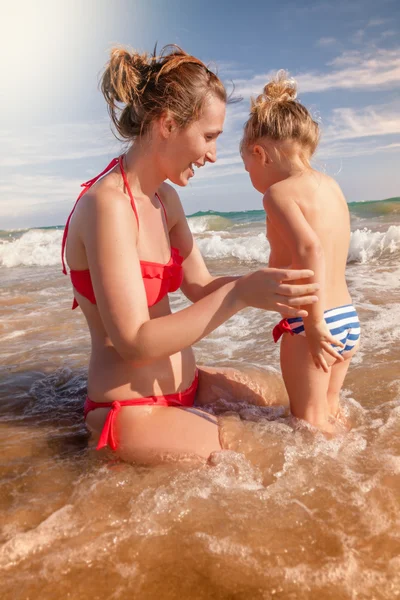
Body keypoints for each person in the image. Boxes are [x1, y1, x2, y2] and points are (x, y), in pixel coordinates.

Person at [61, 47, 320, 463]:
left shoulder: (165, 199)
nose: (214, 154)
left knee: (289, 407)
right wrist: (238, 296)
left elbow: (200, 287)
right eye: (209, 136)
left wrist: (270, 286)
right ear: (168, 125)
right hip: (130, 411)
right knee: (266, 456)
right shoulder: (107, 206)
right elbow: (135, 343)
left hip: (188, 387)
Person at [241, 70, 361, 434]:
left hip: (313, 321)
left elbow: (310, 250)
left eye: (247, 166)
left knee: (308, 427)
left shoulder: (277, 194)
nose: (250, 175)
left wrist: (312, 324)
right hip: (348, 318)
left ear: (259, 154)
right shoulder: (331, 186)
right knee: (330, 411)